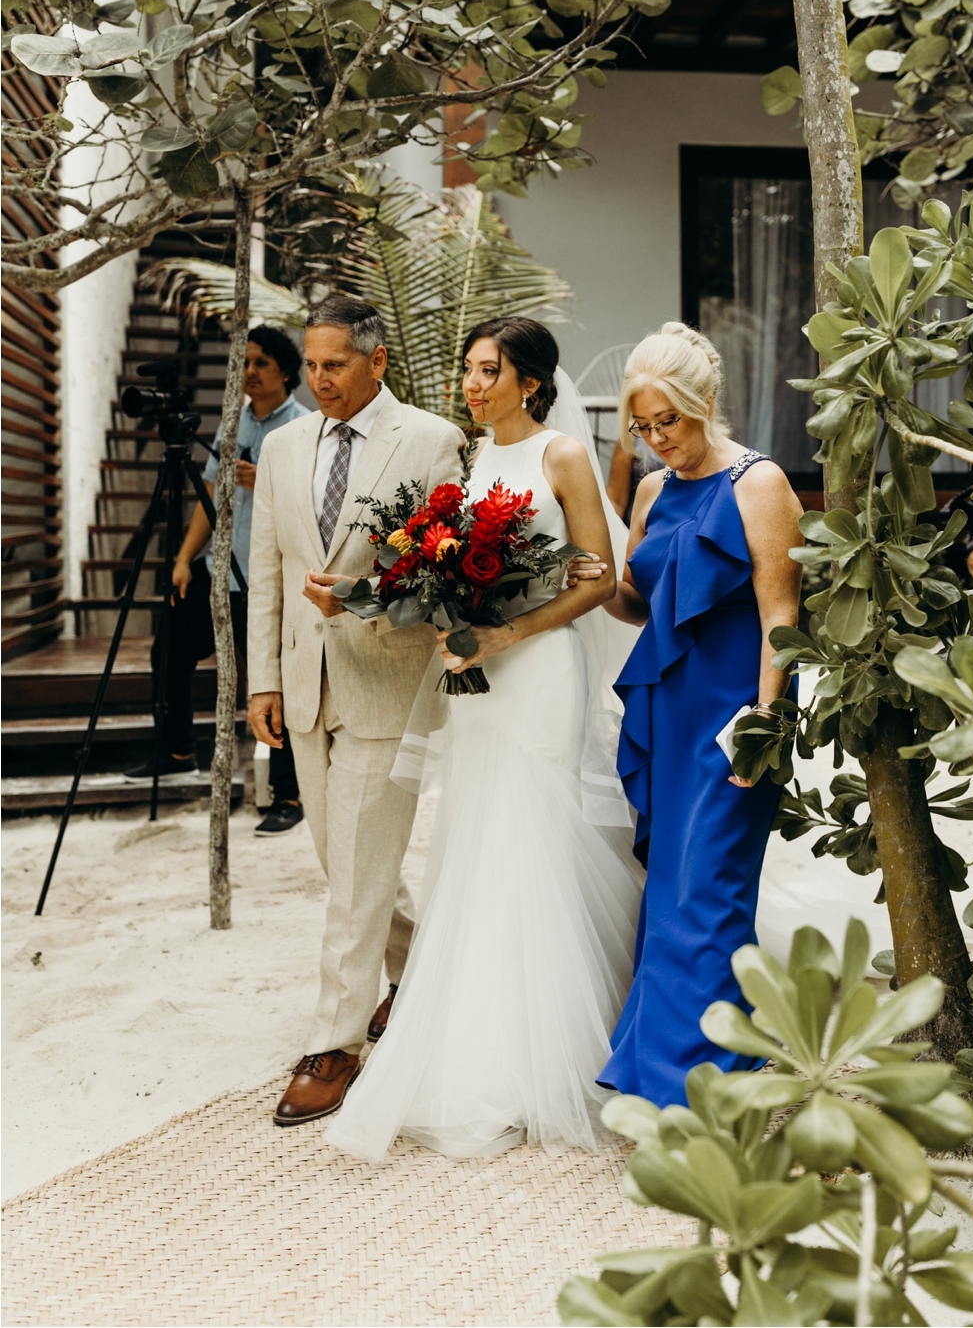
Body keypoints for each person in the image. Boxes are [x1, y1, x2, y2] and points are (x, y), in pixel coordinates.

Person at [321, 317, 642, 1161]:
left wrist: (508, 632)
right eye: (467, 368)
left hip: (537, 673)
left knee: (532, 828)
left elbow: (596, 575)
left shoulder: (560, 456)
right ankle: (480, 1041)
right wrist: (441, 607)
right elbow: (451, 560)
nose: (471, 382)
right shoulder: (472, 458)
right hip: (473, 675)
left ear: (529, 381)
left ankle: (554, 1048)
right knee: (474, 835)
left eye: (487, 369)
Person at [246, 295, 466, 1127]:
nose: (318, 379)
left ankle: (335, 1041)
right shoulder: (280, 445)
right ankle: (415, 967)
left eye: (334, 363)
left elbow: (440, 573)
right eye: (310, 364)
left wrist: (366, 601)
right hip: (303, 686)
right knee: (347, 864)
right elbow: (266, 571)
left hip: (385, 677)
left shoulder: (432, 440)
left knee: (358, 864)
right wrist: (261, 680)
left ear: (377, 361)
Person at [596, 323, 803, 1110]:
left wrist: (762, 726)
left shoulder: (759, 484)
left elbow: (780, 614)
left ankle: (704, 1089)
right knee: (669, 890)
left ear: (704, 404)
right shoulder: (649, 492)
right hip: (666, 713)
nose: (656, 442)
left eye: (668, 423)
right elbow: (639, 605)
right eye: (643, 429)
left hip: (730, 721)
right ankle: (666, 1076)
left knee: (708, 893)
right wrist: (583, 570)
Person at [124, 326, 306, 836]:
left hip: (267, 582)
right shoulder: (232, 421)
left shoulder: (303, 428)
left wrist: (266, 481)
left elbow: (314, 512)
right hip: (215, 573)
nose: (248, 372)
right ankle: (177, 750)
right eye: (243, 362)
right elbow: (210, 494)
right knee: (169, 652)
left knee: (273, 685)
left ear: (286, 373)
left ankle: (288, 795)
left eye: (260, 363)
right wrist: (185, 557)